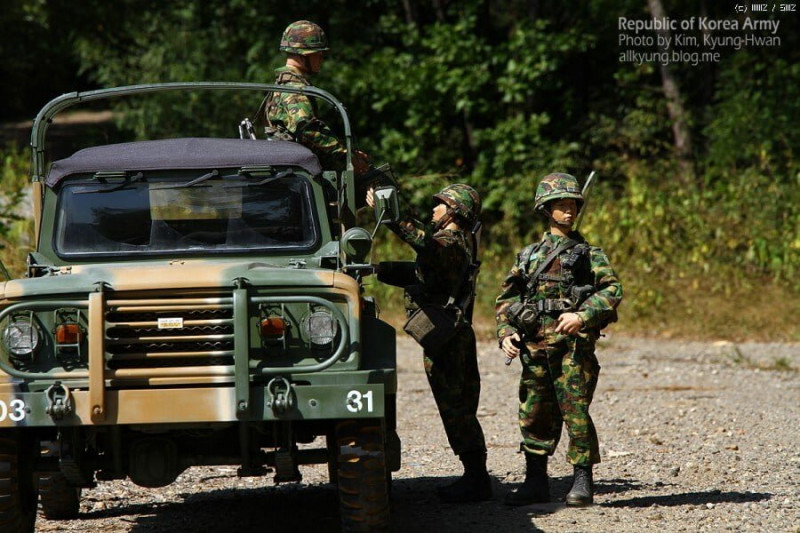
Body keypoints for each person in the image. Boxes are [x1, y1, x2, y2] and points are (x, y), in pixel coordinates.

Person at [495, 173, 622, 507]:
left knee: (575, 411)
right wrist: (506, 334)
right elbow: (506, 300)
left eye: (573, 206)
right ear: (546, 209)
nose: (569, 212)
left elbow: (612, 289)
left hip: (572, 348)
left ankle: (582, 481)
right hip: (534, 347)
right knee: (533, 412)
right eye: (562, 206)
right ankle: (535, 481)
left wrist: (582, 315)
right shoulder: (528, 256)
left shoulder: (588, 253)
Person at [367, 184, 492, 503]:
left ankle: (476, 479)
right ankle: (475, 475)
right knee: (457, 405)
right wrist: (379, 271)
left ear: (455, 212)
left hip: (448, 336)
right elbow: (420, 272)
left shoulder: (450, 242)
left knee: (456, 408)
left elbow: (423, 243)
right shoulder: (455, 244)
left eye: (440, 205)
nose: (434, 210)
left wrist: (390, 215)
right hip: (451, 333)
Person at [263, 20, 369, 174]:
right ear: (304, 55)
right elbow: (308, 129)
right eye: (318, 54)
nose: (321, 59)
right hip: (298, 175)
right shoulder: (294, 90)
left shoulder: (282, 85)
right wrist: (346, 156)